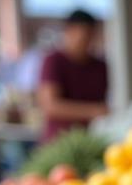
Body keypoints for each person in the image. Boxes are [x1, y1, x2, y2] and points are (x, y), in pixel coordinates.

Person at [37, 9, 109, 142]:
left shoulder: (100, 66)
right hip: (58, 141)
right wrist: (93, 111)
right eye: (82, 36)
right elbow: (50, 106)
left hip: (90, 140)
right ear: (68, 31)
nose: (85, 42)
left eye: (89, 36)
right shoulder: (53, 61)